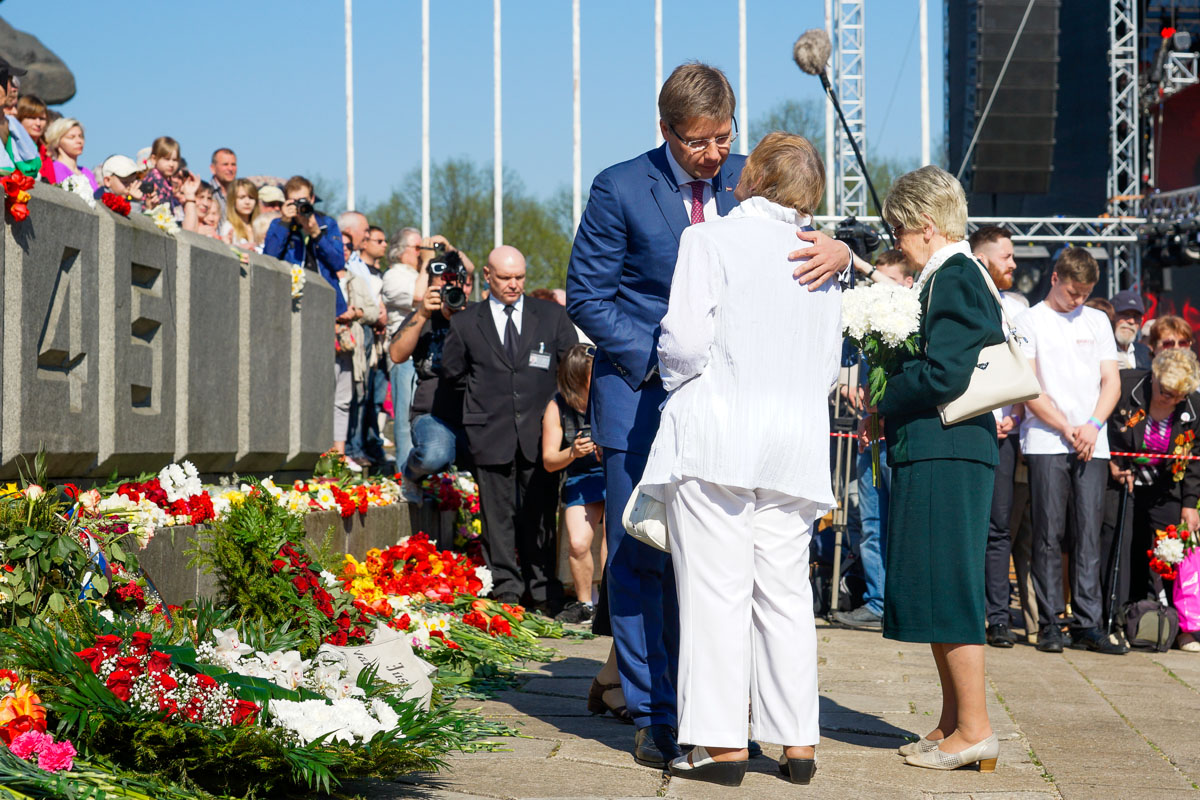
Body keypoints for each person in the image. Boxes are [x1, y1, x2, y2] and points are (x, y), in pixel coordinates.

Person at [565, 61, 851, 771]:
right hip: (642, 395)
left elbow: (799, 255)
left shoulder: (753, 180)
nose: (715, 155)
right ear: (665, 130)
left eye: (724, 138)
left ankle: (716, 722)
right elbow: (587, 297)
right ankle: (658, 715)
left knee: (724, 579)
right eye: (698, 142)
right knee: (642, 560)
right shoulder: (619, 187)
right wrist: (664, 362)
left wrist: (843, 249)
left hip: (733, 415)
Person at [635, 133, 840, 786]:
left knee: (717, 593)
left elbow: (687, 341)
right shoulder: (825, 258)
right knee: (784, 594)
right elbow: (831, 367)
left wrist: (675, 375)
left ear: (751, 176)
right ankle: (798, 740)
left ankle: (720, 744)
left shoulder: (710, 239)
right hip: (796, 442)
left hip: (721, 435)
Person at [865, 165, 1005, 772]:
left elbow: (946, 372)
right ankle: (953, 722)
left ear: (925, 224)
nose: (896, 240)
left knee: (948, 586)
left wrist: (884, 392)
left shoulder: (951, 274)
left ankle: (974, 727)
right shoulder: (956, 274)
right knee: (940, 582)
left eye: (899, 229)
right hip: (947, 449)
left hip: (946, 450)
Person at [440, 245, 578, 614]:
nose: (514, 285)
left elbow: (572, 369)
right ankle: (506, 590)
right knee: (497, 517)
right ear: (487, 276)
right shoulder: (466, 322)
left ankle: (544, 590)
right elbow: (452, 376)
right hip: (490, 432)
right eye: (505, 278)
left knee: (540, 514)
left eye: (519, 277)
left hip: (541, 436)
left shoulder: (550, 315)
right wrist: (478, 409)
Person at [1015, 247, 1126, 656]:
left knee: (1089, 533)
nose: (1078, 301)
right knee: (1047, 532)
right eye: (1072, 292)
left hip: (1092, 440)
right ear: (1055, 279)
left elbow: (1110, 381)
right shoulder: (1031, 320)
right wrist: (1065, 426)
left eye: (1085, 293)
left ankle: (1088, 623)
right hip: (1046, 439)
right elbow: (1028, 385)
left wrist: (1093, 425)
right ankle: (1048, 623)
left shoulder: (1097, 320)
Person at [834, 249, 915, 632]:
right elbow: (847, 369)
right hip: (871, 438)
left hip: (900, 436)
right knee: (870, 521)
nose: (877, 292)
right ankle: (877, 601)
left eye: (887, 282)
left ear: (907, 283)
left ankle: (904, 603)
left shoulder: (913, 318)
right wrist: (852, 385)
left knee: (904, 521)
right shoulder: (868, 326)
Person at [1102, 348, 1200, 653]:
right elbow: (1104, 425)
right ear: (1153, 377)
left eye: (1174, 396)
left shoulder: (1194, 407)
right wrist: (1111, 461)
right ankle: (1114, 617)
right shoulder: (1127, 384)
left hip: (1165, 487)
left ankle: (1172, 624)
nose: (1165, 399)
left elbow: (1195, 460)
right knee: (1121, 539)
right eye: (1162, 390)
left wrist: (1190, 502)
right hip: (1124, 480)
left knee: (1171, 549)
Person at [969, 225, 1033, 648]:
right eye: (1006, 256)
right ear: (985, 256)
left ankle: (996, 618)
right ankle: (968, 611)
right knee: (968, 527)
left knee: (998, 530)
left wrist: (1013, 413)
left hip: (1005, 434)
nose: (1013, 263)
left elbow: (1023, 367)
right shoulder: (964, 295)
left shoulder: (1018, 306)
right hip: (968, 426)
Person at [389, 256, 473, 500]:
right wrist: (422, 313)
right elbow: (396, 354)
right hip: (433, 414)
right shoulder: (421, 318)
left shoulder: (476, 314)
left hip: (475, 413)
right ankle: (410, 473)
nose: (446, 292)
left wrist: (462, 315)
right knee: (435, 454)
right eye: (439, 286)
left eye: (451, 285)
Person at [542, 344, 605, 625]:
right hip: (580, 478)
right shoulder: (557, 407)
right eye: (593, 374)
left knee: (613, 543)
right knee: (578, 543)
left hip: (612, 475)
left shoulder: (609, 399)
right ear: (577, 376)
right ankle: (585, 604)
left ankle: (610, 603)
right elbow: (549, 460)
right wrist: (573, 452)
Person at [263, 175, 346, 314]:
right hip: (292, 300)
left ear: (312, 199)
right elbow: (269, 258)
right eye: (294, 202)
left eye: (304, 201)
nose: (300, 207)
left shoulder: (327, 224)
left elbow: (338, 263)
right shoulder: (279, 225)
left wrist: (317, 235)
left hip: (325, 300)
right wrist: (285, 223)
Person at [382, 227, 424, 463]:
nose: (422, 254)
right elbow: (420, 299)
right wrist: (428, 265)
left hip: (425, 356)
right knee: (405, 419)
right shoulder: (394, 276)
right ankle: (404, 471)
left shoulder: (419, 274)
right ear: (400, 251)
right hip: (404, 357)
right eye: (418, 248)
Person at [44, 117, 96, 191]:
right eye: (71, 137)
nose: (79, 141)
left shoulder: (87, 172)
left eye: (81, 136)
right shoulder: (53, 169)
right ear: (57, 141)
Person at [139, 136, 184, 216]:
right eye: (166, 159)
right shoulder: (153, 180)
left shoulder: (166, 181)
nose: (171, 164)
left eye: (175, 160)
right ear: (154, 159)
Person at [15, 95, 54, 183]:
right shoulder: (12, 149)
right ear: (20, 118)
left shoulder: (46, 154)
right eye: (32, 118)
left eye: (42, 118)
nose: (38, 123)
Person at [1111, 289, 1151, 370]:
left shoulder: (1145, 353)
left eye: (1136, 317)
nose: (1131, 321)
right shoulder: (1099, 351)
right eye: (1125, 314)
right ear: (1111, 316)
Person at [220, 178, 259, 250]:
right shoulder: (229, 227)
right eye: (242, 197)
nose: (247, 202)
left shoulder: (259, 226)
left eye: (251, 197)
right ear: (233, 200)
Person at [209, 148, 237, 216]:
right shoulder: (206, 193)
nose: (230, 168)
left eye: (233, 164)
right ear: (213, 168)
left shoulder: (240, 193)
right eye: (225, 164)